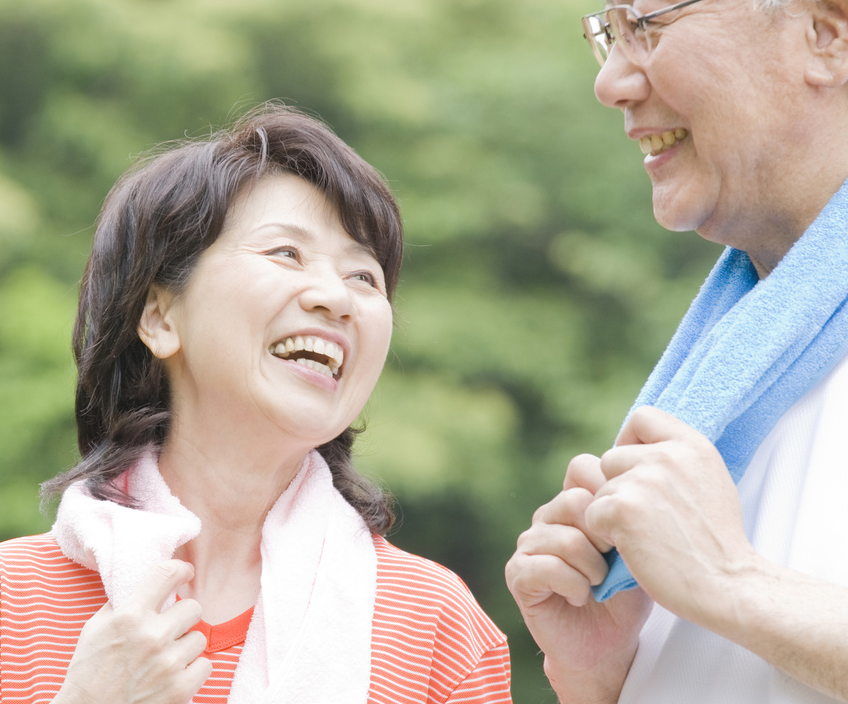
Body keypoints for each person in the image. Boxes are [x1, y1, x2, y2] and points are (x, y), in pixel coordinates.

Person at [0, 104, 512, 704]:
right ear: (161, 317)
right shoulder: (13, 602)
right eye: (286, 253)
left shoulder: (435, 627)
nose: (334, 298)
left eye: (364, 277)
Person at [505, 0, 848, 702]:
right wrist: (609, 675)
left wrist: (732, 583)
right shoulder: (728, 369)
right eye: (608, 31)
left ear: (828, 26)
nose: (609, 80)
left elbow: (733, 583)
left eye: (645, 22)